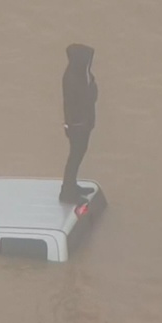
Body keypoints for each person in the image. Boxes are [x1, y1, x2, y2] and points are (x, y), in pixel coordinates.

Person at [60, 43, 98, 203]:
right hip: (78, 125)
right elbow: (78, 102)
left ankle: (71, 185)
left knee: (77, 155)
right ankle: (67, 192)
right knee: (75, 157)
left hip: (83, 123)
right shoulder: (73, 78)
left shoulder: (81, 74)